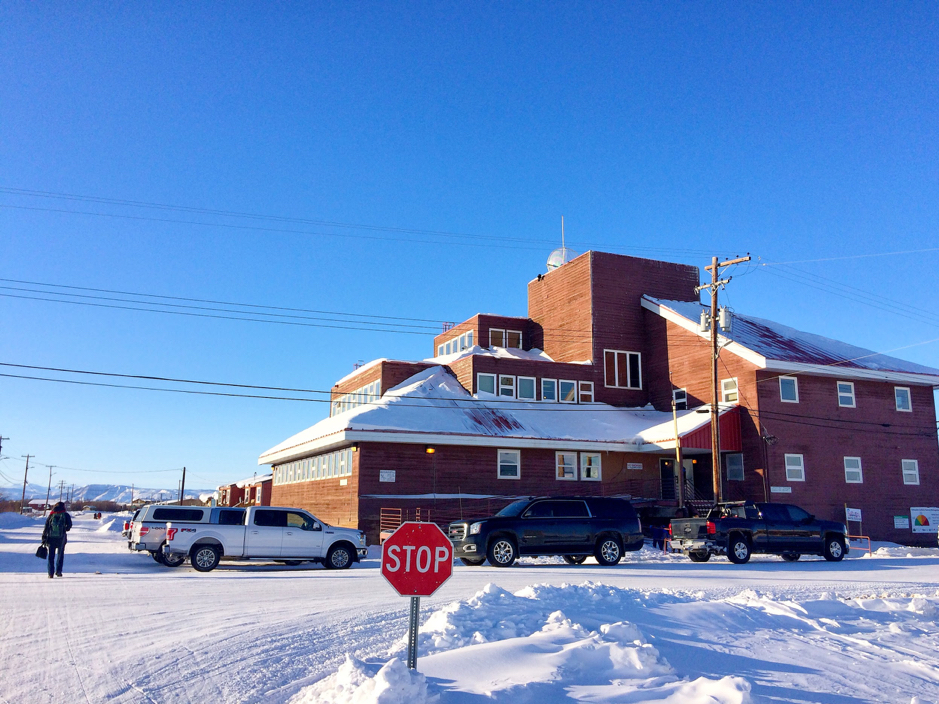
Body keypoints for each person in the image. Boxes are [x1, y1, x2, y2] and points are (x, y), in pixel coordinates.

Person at [42, 502, 72, 578]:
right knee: (60, 555)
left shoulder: (51, 515)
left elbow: (46, 526)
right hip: (61, 538)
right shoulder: (65, 515)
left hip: (51, 538)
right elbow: (69, 526)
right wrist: (65, 529)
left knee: (51, 556)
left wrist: (44, 537)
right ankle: (58, 572)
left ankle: (50, 573)